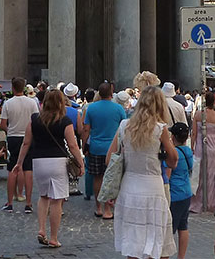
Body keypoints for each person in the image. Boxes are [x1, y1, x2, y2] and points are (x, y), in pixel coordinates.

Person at [110, 85, 178, 259]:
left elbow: (109, 157)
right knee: (160, 238)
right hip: (153, 186)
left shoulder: (125, 125)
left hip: (129, 186)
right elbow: (173, 158)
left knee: (134, 240)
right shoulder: (160, 129)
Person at [12, 89, 84, 249]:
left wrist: (19, 162)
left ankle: (41, 229)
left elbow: (26, 143)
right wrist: (80, 162)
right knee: (57, 201)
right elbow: (72, 145)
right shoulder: (65, 121)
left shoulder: (35, 120)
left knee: (43, 197)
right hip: (58, 161)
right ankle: (53, 237)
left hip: (38, 161)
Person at [83, 81, 127, 220]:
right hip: (113, 148)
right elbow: (124, 129)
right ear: (111, 93)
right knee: (112, 178)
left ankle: (98, 207)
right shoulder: (118, 109)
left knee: (98, 178)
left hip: (96, 147)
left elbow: (86, 129)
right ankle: (108, 208)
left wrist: (84, 145)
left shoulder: (91, 108)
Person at [0, 77, 40, 213]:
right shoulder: (32, 103)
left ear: (12, 87)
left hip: (13, 137)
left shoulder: (7, 103)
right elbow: (37, 121)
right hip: (29, 137)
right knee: (28, 169)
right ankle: (28, 203)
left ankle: (10, 202)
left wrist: (10, 130)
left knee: (12, 168)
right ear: (24, 88)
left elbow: (3, 124)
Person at [191, 91, 215, 213]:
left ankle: (199, 201)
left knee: (200, 174)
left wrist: (192, 146)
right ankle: (212, 201)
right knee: (213, 176)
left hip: (201, 146)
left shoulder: (198, 115)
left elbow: (194, 133)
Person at [165, 122, 194, 259]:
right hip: (186, 192)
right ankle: (181, 257)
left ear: (172, 136)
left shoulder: (173, 154)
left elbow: (168, 175)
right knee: (183, 226)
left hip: (174, 194)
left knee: (169, 230)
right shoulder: (188, 151)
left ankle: (165, 254)